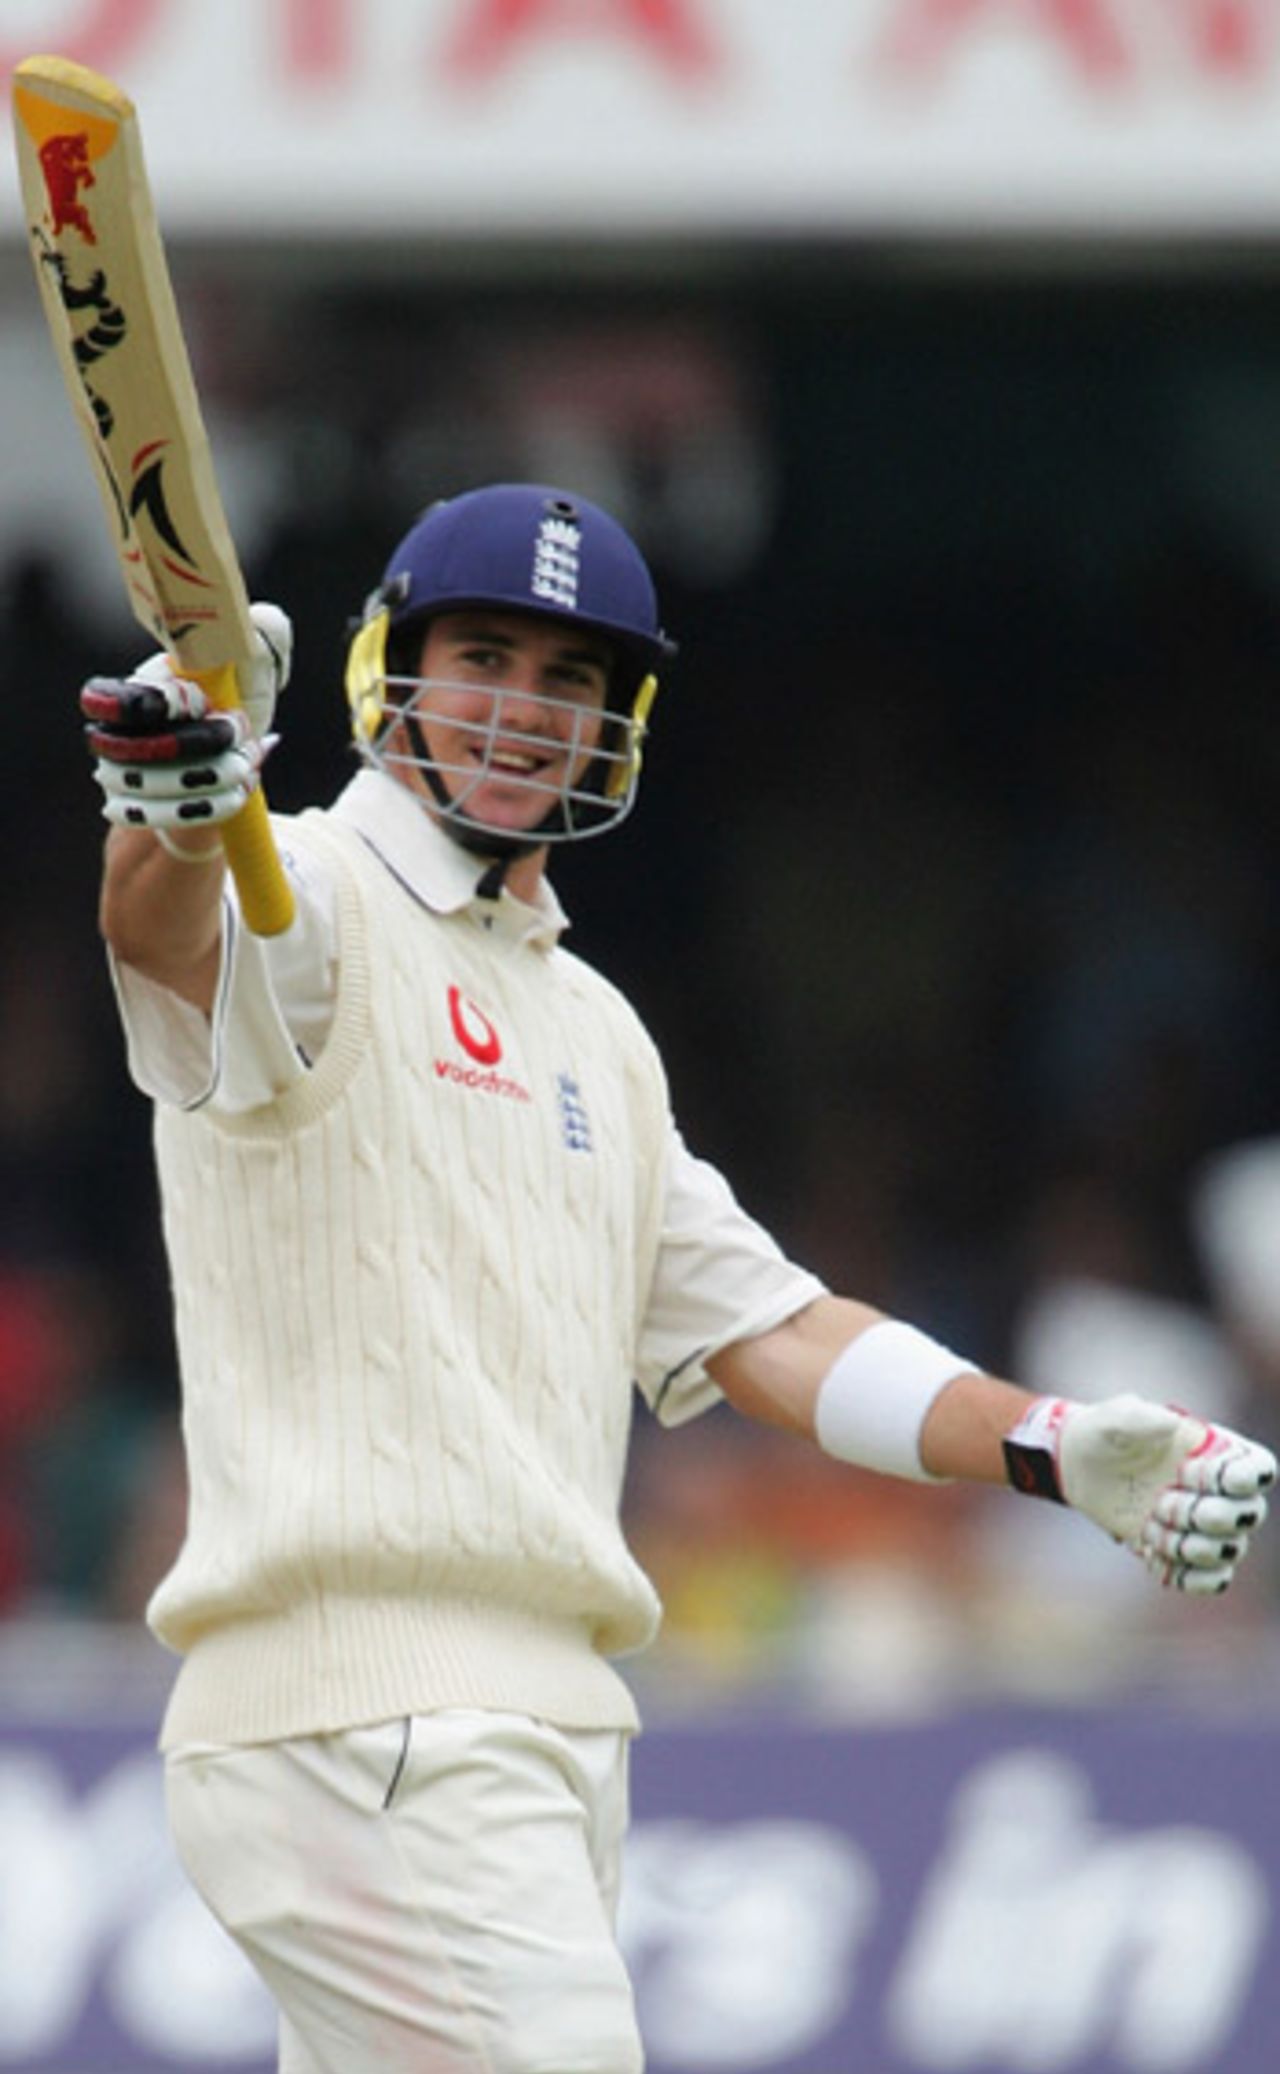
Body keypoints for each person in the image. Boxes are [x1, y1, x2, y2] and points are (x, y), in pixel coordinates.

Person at [82, 482, 1276, 2074]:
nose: (521, 709)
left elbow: (775, 1329)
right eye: (483, 655)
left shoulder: (597, 1035)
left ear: (614, 726)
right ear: (388, 668)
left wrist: (1046, 1443)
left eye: (568, 679)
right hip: (366, 1716)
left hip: (549, 1729)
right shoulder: (310, 892)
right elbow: (172, 938)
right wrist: (169, 806)